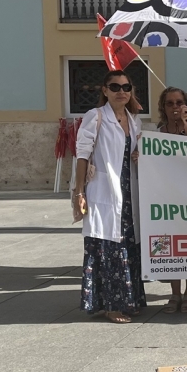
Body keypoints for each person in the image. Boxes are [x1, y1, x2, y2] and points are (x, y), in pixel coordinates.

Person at [73, 70, 146, 324]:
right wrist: (79, 191)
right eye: (115, 87)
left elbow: (134, 153)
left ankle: (129, 300)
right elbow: (82, 154)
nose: (121, 91)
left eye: (126, 87)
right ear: (105, 90)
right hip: (104, 190)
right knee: (107, 248)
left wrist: (138, 155)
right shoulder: (96, 116)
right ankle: (112, 306)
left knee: (127, 245)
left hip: (128, 192)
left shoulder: (134, 120)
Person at [155, 86, 187, 313]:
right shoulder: (159, 133)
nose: (175, 107)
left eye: (179, 102)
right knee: (172, 246)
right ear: (163, 107)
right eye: (169, 103)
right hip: (168, 197)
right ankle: (175, 293)